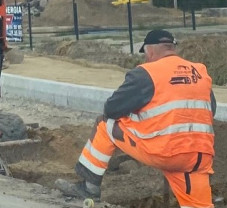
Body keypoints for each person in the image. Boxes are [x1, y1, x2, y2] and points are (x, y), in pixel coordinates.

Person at [55, 29, 216, 207]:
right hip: (199, 157)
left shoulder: (146, 73)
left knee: (104, 124)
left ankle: (89, 188)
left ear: (150, 50)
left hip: (164, 151)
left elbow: (112, 109)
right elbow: (210, 111)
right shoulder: (199, 72)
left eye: (145, 54)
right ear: (171, 48)